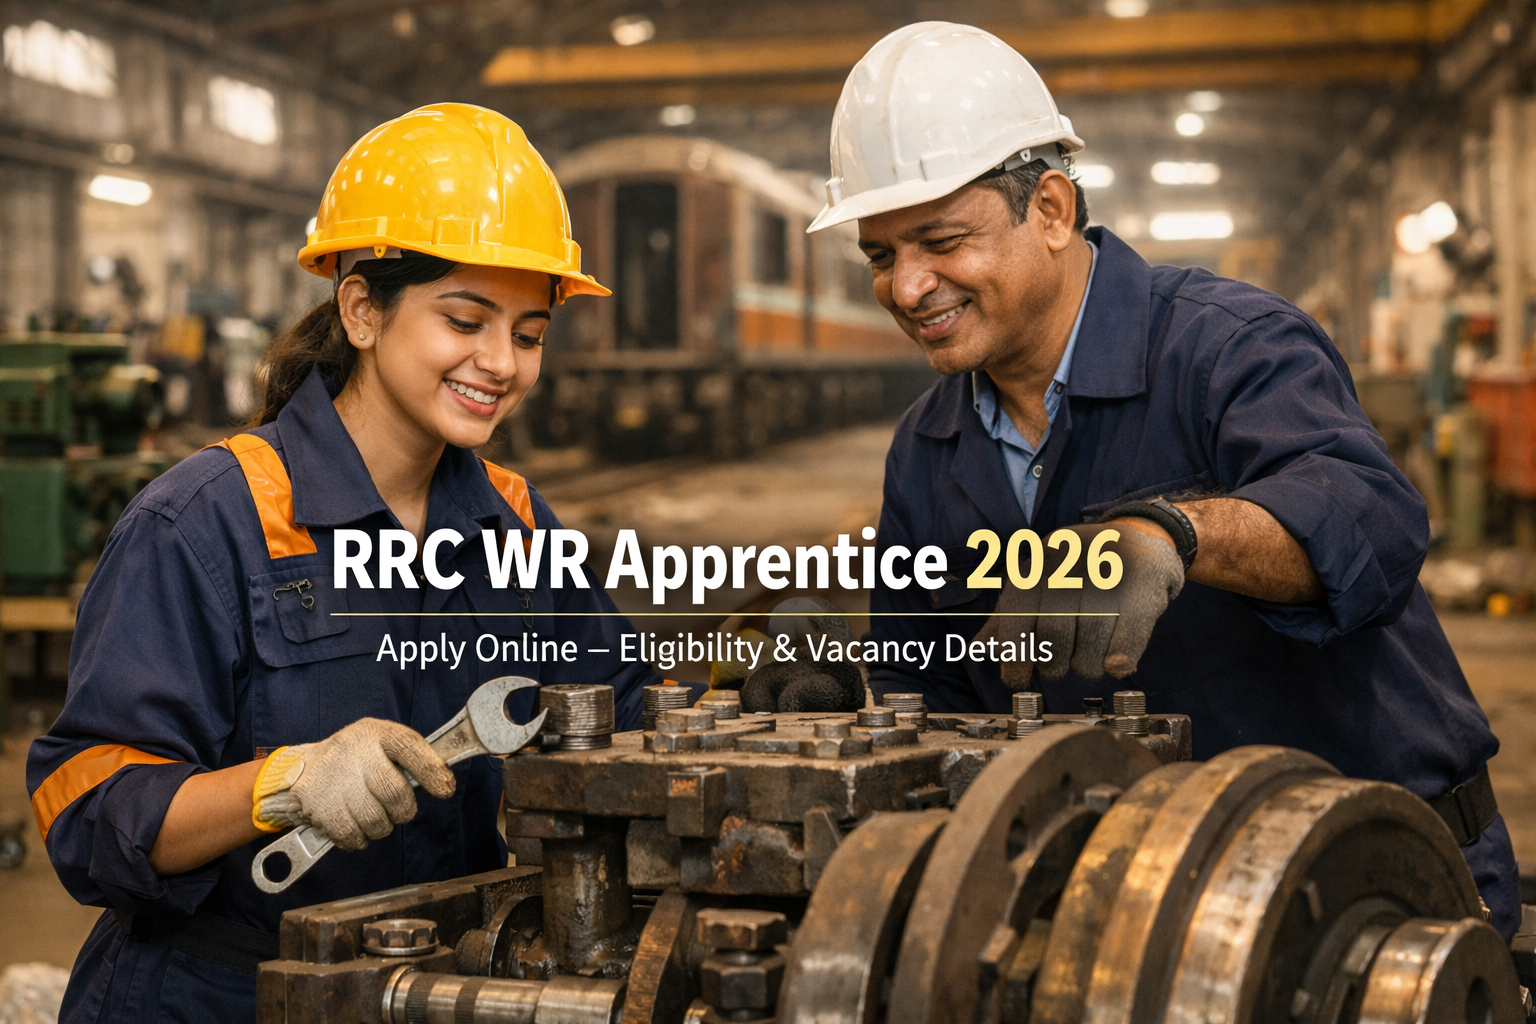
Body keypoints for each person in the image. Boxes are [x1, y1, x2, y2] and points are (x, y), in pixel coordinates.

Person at [809, 23, 1519, 936]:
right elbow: (935, 696)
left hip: (1374, 891)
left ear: (1053, 211)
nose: (907, 288)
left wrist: (1175, 537)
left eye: (941, 241)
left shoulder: (1227, 347)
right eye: (880, 255)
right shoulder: (929, 445)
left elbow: (1372, 522)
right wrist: (841, 707)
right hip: (1133, 916)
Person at [27, 103, 671, 1023]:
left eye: (529, 334)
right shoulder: (207, 522)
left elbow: (629, 712)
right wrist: (282, 784)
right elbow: (86, 810)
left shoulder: (514, 522)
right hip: (220, 997)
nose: (501, 362)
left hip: (440, 990)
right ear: (362, 310)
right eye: (465, 319)